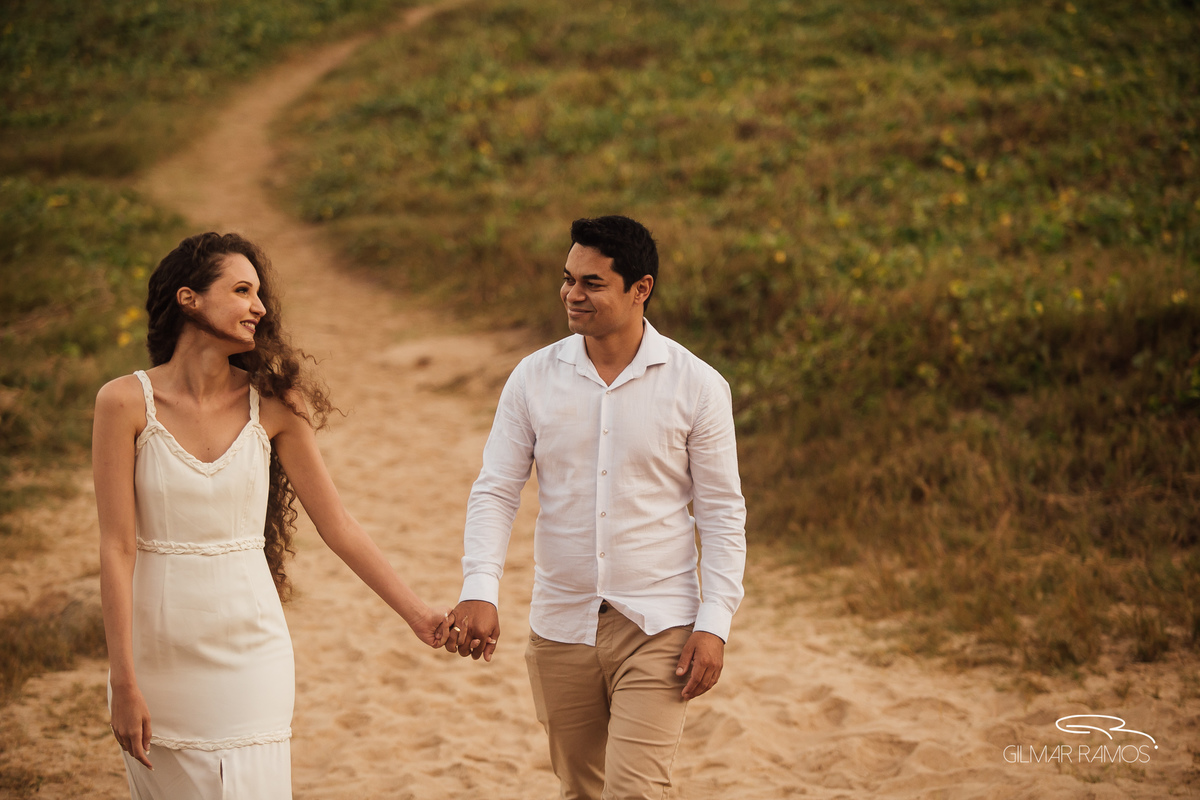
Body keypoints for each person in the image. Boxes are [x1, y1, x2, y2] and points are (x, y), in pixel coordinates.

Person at [93, 232, 451, 799]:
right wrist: (123, 680)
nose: (259, 307)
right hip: (157, 654)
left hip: (252, 649)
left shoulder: (276, 403)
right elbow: (116, 548)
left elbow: (338, 526)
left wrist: (416, 612)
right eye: (241, 290)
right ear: (189, 298)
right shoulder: (123, 403)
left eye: (259, 293)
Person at [443, 215, 747, 799]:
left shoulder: (698, 386)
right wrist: (479, 587)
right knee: (581, 789)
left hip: (659, 625)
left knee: (635, 791)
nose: (571, 294)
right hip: (561, 624)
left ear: (641, 289)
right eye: (567, 279)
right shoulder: (533, 377)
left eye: (591, 283)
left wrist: (714, 625)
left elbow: (721, 512)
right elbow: (497, 488)